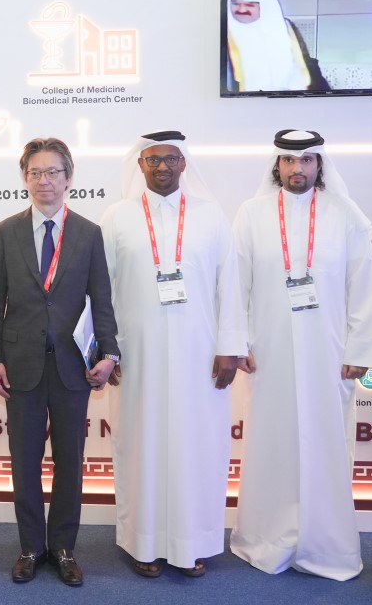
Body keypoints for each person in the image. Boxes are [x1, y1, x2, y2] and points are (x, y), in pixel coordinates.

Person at [229, 129, 372, 581]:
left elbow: (362, 286)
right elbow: (237, 283)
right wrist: (239, 342)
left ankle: (325, 542)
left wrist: (360, 348)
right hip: (268, 349)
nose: (298, 168)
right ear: (277, 166)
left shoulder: (344, 214)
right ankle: (267, 536)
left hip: (329, 352)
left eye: (307, 160)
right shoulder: (252, 214)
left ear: (320, 165)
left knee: (325, 441)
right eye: (290, 161)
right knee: (272, 440)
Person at [101, 131, 247, 578]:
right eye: (153, 160)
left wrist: (230, 348)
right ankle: (142, 542)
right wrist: (106, 350)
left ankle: (192, 542)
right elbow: (99, 291)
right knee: (140, 445)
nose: (162, 167)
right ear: (140, 165)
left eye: (171, 159)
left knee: (195, 445)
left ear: (184, 164)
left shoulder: (211, 216)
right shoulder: (117, 217)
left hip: (199, 353)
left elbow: (229, 284)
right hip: (136, 353)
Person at [0, 137, 120, 586]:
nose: (44, 180)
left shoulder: (88, 233)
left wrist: (108, 353)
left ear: (69, 177)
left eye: (53, 172)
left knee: (70, 461)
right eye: (36, 172)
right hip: (20, 365)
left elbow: (101, 298)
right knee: (24, 462)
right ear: (25, 178)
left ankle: (63, 547)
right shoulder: (5, 232)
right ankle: (30, 547)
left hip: (72, 367)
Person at [224, 0, 330, 93]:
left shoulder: (286, 28)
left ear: (264, 6)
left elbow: (304, 62)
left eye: (250, 5)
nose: (241, 9)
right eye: (235, 4)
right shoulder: (224, 32)